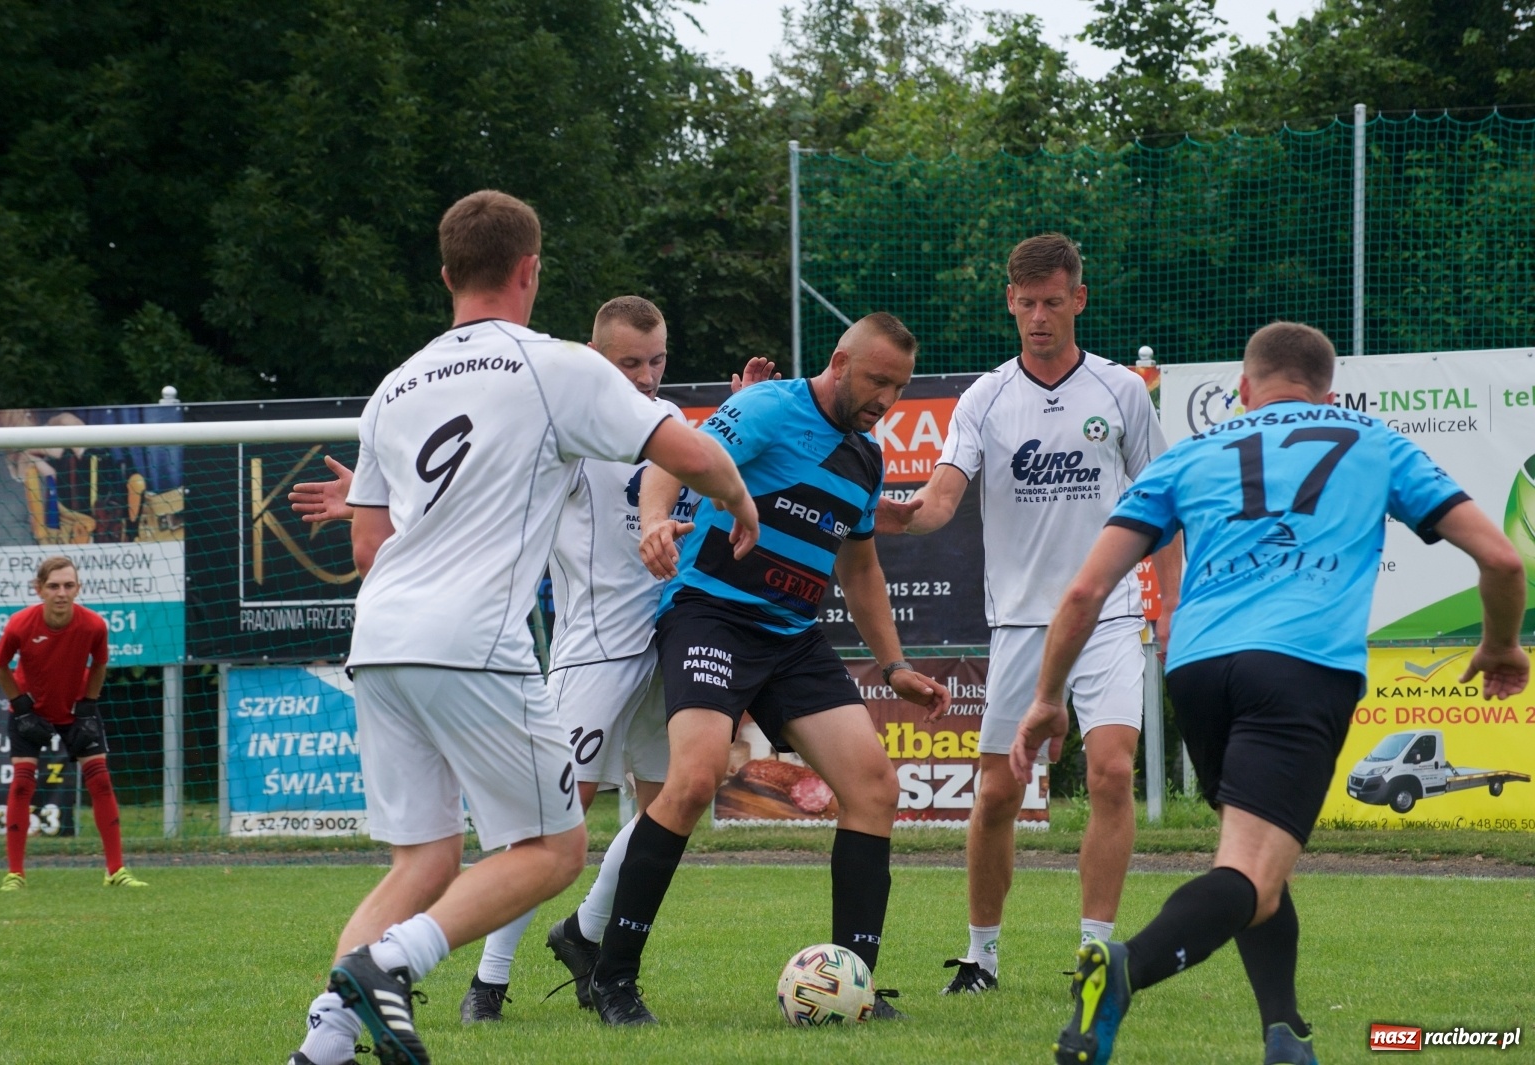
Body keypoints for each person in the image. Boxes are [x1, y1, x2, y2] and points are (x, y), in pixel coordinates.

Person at [286, 190, 758, 1065]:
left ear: (446, 274)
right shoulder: (557, 366)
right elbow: (687, 450)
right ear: (529, 270)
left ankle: (325, 1042)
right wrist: (738, 501)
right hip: (471, 642)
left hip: (380, 639)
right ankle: (390, 962)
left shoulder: (396, 384)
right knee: (552, 847)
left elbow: (366, 546)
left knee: (421, 862)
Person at [1013, 322, 1527, 1065]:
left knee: (1256, 865)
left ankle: (1286, 1034)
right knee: (1251, 874)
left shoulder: (1189, 455)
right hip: (1298, 668)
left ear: (1244, 392)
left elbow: (1087, 590)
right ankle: (1124, 968)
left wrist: (1047, 697)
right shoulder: (1372, 440)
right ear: (1332, 392)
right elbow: (1503, 558)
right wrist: (1502, 643)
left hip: (1198, 671)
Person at [587, 311, 953, 1026]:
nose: (887, 397)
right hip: (711, 613)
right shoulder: (766, 407)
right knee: (694, 778)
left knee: (874, 786)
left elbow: (860, 565)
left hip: (791, 634)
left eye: (900, 386)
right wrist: (658, 521)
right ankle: (614, 978)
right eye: (878, 379)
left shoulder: (866, 455)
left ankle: (853, 982)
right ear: (840, 362)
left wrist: (896, 664)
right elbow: (674, 460)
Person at [876, 233, 1177, 993]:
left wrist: (1168, 604)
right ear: (1009, 302)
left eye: (1053, 301)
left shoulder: (1122, 392)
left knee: (1111, 773)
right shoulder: (985, 397)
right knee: (1000, 793)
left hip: (1108, 618)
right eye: (1026, 302)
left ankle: (1095, 953)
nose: (1039, 316)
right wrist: (900, 513)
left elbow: (1163, 507)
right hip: (1018, 623)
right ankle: (981, 957)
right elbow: (944, 497)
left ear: (1079, 298)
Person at [0, 556, 147, 890]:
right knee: (21, 783)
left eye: (68, 585)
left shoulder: (93, 625)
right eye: (53, 586)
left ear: (78, 588)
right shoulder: (20, 624)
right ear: (39, 589)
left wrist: (88, 707)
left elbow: (101, 663)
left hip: (76, 711)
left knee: (101, 780)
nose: (61, 593)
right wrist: (21, 707)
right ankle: (15, 874)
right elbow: (0, 665)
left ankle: (116, 871)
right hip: (30, 711)